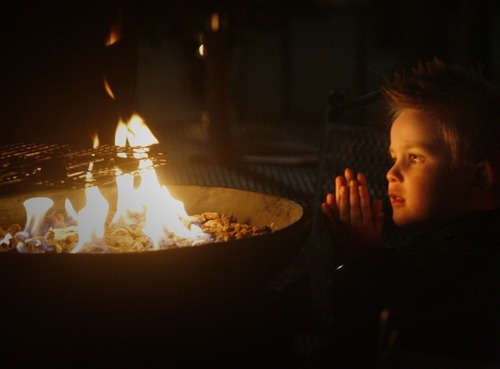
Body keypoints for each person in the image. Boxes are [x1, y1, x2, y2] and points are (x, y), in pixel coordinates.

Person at [319, 58, 500, 368]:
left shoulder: (461, 266)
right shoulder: (434, 242)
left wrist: (362, 258)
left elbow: (361, 343)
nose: (392, 172)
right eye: (394, 157)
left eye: (414, 158)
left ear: (477, 179)